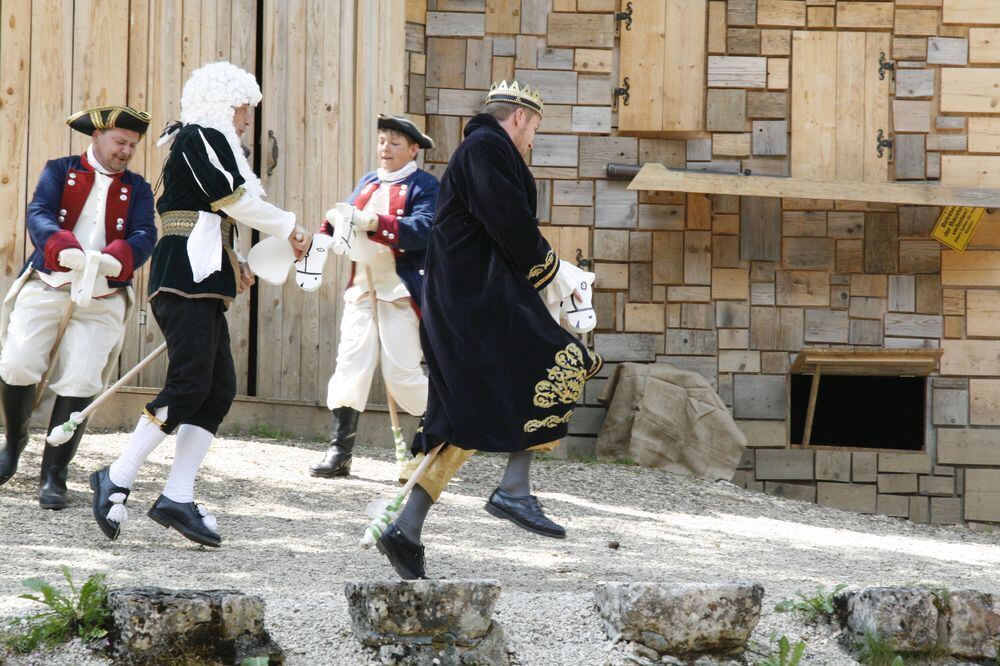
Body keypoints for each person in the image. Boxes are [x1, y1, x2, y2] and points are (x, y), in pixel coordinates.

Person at [375, 81, 602, 580]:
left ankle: (406, 528)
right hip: (473, 299)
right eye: (535, 130)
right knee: (564, 360)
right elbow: (510, 222)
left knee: (463, 416)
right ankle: (513, 491)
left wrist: (550, 273)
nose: (533, 141)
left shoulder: (484, 149)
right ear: (519, 117)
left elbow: (503, 224)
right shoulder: (485, 147)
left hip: (474, 295)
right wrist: (555, 271)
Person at [89, 61, 312, 548]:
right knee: (190, 383)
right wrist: (289, 225)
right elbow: (231, 200)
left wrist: (236, 263)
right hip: (182, 278)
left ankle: (177, 495)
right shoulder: (197, 137)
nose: (247, 121)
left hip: (204, 277)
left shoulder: (208, 143)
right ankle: (117, 476)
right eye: (241, 109)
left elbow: (212, 219)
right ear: (219, 104)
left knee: (217, 388)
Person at [0, 106, 156, 510]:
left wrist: (115, 257)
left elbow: (145, 234)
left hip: (104, 292)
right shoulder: (59, 169)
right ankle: (15, 441)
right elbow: (39, 214)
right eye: (120, 142)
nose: (125, 152)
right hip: (50, 280)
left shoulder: (138, 188)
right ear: (98, 136)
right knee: (17, 363)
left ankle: (54, 472)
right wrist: (61, 247)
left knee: (83, 379)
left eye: (132, 146)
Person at [310, 115, 438, 478]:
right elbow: (343, 219)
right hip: (363, 288)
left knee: (401, 373)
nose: (386, 148)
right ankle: (340, 451)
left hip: (399, 291)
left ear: (414, 149)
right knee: (350, 366)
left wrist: (377, 224)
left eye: (395, 143)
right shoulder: (367, 182)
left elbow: (426, 229)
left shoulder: (425, 185)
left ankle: (435, 440)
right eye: (382, 141)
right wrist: (333, 222)